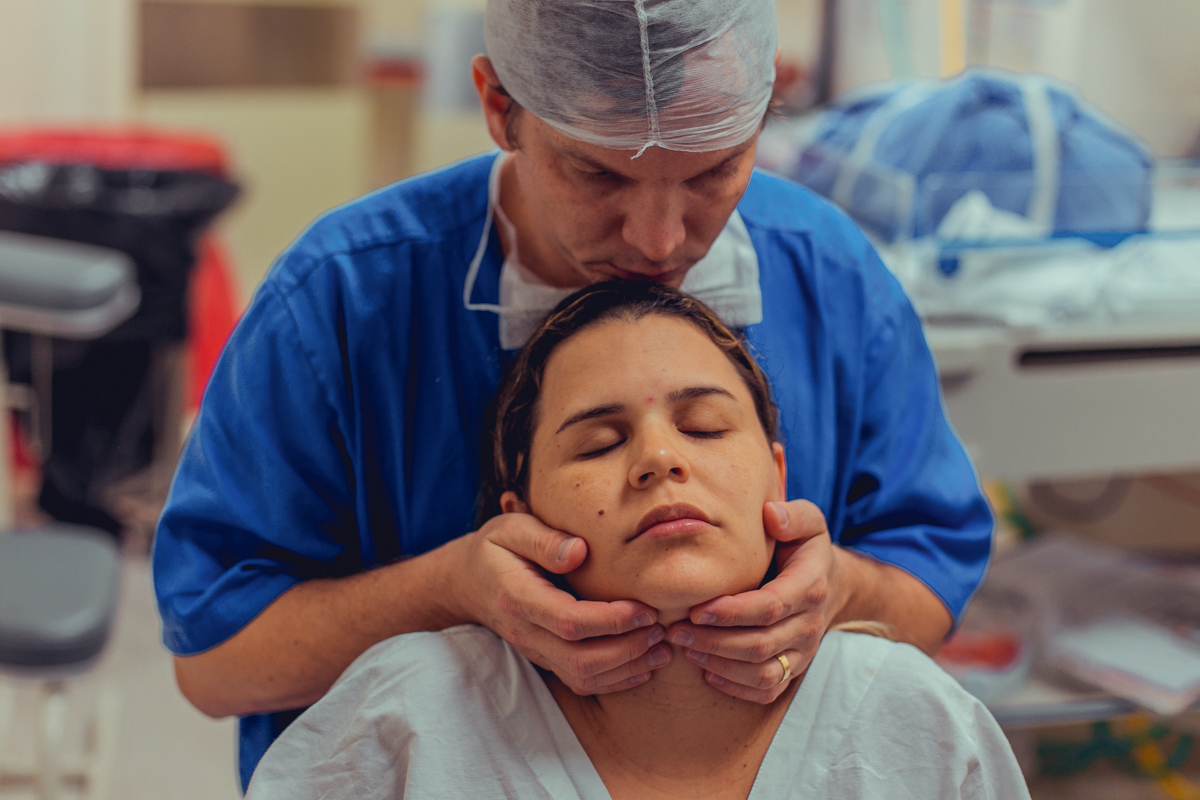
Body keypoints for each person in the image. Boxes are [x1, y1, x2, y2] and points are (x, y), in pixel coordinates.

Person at [153, 0, 993, 788]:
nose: (660, 239)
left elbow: (928, 578)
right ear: (498, 105)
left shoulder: (832, 281)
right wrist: (447, 592)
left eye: (714, 171)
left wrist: (839, 590)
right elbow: (215, 661)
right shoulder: (342, 303)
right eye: (598, 176)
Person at [244, 282, 1027, 800]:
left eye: (705, 425)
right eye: (595, 444)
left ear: (777, 479)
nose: (660, 458)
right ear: (521, 517)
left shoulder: (914, 721)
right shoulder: (411, 717)